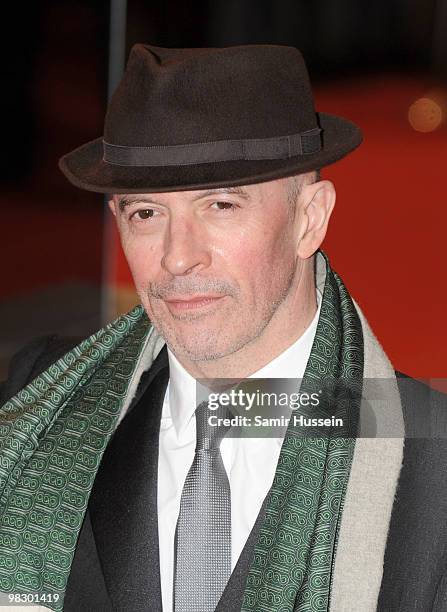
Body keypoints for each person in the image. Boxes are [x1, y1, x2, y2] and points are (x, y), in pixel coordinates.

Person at [0, 43, 446, 612]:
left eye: (221, 206)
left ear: (309, 219)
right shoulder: (44, 407)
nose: (178, 257)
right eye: (146, 213)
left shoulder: (430, 462)